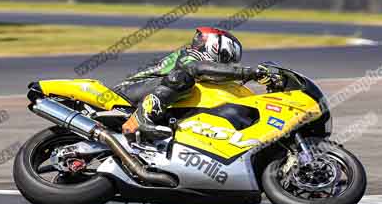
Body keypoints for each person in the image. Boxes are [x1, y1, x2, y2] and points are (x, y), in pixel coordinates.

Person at [116, 27, 276, 140]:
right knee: (182, 79)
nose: (229, 64)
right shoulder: (191, 56)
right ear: (216, 48)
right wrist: (246, 72)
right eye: (228, 58)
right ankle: (143, 117)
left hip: (148, 93)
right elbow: (196, 69)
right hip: (128, 92)